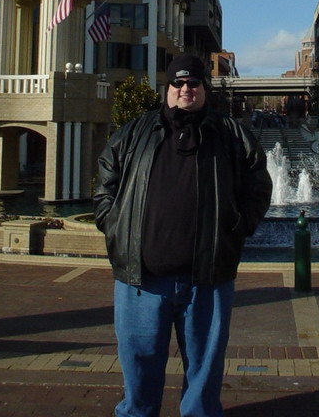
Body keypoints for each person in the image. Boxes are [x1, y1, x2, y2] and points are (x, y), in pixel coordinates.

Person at [94, 54, 272, 417]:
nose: (185, 89)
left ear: (204, 88)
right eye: (178, 83)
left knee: (204, 377)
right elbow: (104, 183)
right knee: (138, 374)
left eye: (193, 83)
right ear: (167, 88)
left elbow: (258, 186)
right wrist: (113, 224)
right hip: (140, 281)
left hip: (206, 280)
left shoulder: (231, 133)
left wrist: (237, 231)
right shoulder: (135, 132)